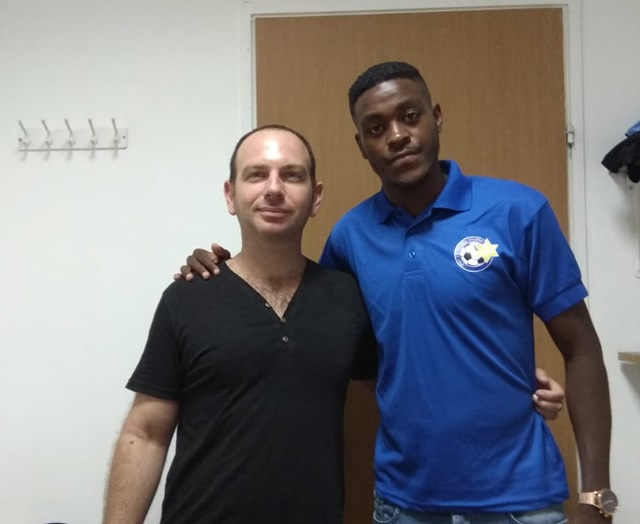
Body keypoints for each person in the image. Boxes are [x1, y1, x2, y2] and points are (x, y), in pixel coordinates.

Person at [179, 61, 614, 523]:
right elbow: (307, 330)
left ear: (436, 117)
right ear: (361, 145)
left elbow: (581, 347)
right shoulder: (350, 238)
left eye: (410, 116)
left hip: (519, 502)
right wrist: (219, 274)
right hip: (403, 504)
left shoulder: (517, 211)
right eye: (376, 127)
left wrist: (596, 495)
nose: (398, 136)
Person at [102, 125, 379, 524]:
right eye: (256, 174)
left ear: (315, 197)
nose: (274, 188)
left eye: (291, 175)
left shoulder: (348, 299)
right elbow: (145, 433)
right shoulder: (186, 298)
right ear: (231, 196)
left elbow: (393, 396)